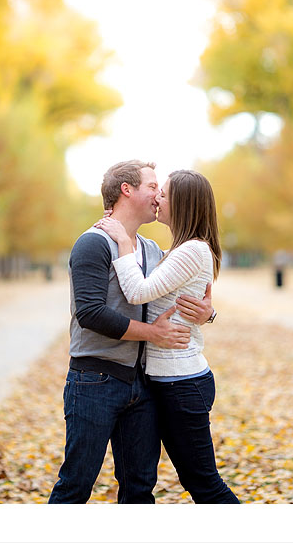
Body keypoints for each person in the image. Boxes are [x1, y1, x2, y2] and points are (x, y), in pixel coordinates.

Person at [48, 160, 215, 504]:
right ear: (127, 190)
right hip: (95, 380)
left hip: (142, 385)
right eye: (153, 186)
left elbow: (186, 280)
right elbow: (90, 313)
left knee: (139, 488)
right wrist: (153, 334)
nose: (158, 196)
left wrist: (209, 312)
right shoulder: (92, 244)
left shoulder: (151, 250)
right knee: (76, 484)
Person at [94, 169, 239, 503]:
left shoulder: (192, 251)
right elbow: (179, 300)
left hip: (182, 382)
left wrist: (124, 242)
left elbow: (137, 291)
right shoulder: (178, 250)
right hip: (165, 380)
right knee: (187, 479)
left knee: (203, 482)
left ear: (183, 203)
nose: (157, 197)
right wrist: (209, 314)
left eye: (165, 193)